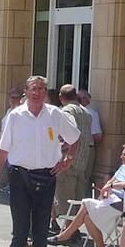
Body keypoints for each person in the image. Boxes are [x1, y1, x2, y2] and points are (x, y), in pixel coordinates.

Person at [0, 75, 81, 247]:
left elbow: (75, 138)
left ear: (46, 93)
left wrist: (68, 159)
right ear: (26, 92)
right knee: (19, 233)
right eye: (33, 89)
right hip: (20, 177)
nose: (37, 92)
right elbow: (3, 149)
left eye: (41, 89)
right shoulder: (15, 116)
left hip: (46, 177)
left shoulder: (55, 114)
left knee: (40, 233)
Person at [48, 141, 125, 247]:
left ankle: (65, 235)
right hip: (114, 202)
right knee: (87, 218)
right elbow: (110, 182)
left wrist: (112, 186)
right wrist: (106, 190)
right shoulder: (123, 168)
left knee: (86, 203)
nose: (121, 156)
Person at [53, 85, 94, 229]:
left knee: (65, 199)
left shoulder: (66, 111)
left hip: (67, 161)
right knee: (77, 198)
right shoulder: (86, 113)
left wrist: (60, 147)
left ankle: (68, 229)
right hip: (82, 160)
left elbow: (69, 134)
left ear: (60, 97)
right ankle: (73, 229)